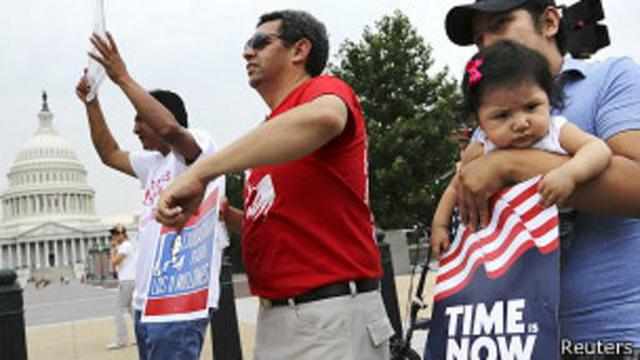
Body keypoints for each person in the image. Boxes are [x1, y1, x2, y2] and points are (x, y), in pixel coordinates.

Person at [155, 10, 394, 359]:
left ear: (299, 50)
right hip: (280, 316)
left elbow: (326, 116)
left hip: (329, 313)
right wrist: (224, 215)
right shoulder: (271, 134)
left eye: (259, 43)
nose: (247, 53)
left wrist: (200, 172)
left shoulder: (325, 90)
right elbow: (281, 222)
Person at [444, 0, 640, 355]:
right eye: (478, 39)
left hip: (611, 336)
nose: (488, 44)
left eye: (501, 24)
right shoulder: (484, 131)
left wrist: (509, 164)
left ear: (549, 22)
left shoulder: (610, 77)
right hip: (515, 337)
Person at [75, 32, 217, 360]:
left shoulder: (196, 146)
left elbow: (169, 130)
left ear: (160, 114)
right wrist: (92, 102)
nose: (136, 128)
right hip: (147, 303)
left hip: (178, 303)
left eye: (141, 118)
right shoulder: (151, 164)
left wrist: (121, 77)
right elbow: (109, 153)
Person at [430, 40, 611, 258]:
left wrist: (570, 173)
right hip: (498, 230)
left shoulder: (556, 131)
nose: (521, 123)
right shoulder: (482, 148)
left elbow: (598, 149)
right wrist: (439, 225)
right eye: (502, 116)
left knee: (542, 282)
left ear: (548, 99)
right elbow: (456, 186)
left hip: (552, 226)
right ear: (480, 121)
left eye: (531, 107)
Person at [106, 224, 136, 350]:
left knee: (118, 309)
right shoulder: (124, 246)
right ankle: (142, 336)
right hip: (129, 280)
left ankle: (121, 339)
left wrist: (112, 251)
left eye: (116, 234)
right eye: (113, 234)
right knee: (133, 310)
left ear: (122, 234)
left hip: (127, 281)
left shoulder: (126, 246)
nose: (114, 237)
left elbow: (114, 262)